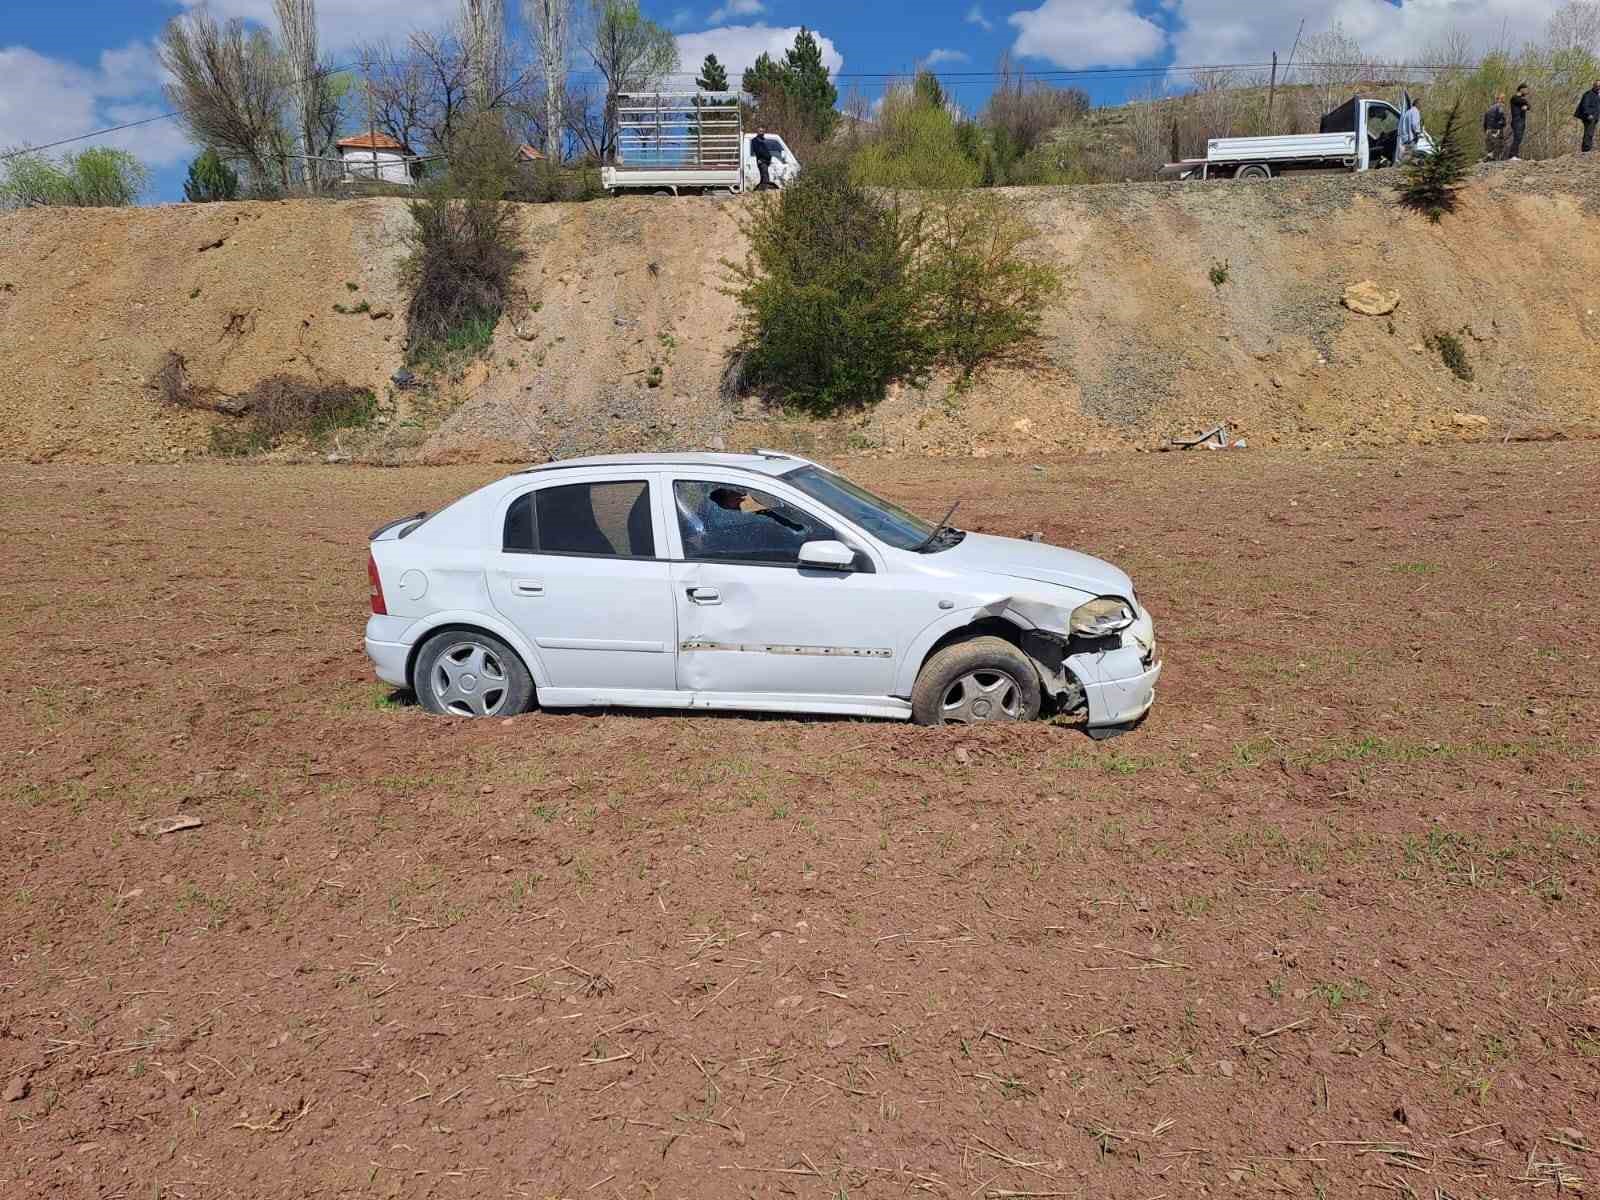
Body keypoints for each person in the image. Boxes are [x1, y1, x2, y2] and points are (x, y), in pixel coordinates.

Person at [1396, 91, 1424, 165]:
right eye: (1421, 104)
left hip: (1405, 138)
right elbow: (1415, 125)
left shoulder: (1408, 112)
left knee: (1405, 155)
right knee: (1412, 156)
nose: (1421, 106)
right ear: (1417, 104)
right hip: (1411, 138)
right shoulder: (1415, 111)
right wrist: (1418, 133)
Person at [1508, 83, 1531, 160]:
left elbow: (1529, 106)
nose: (1527, 91)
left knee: (1519, 138)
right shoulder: (1514, 98)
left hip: (1522, 121)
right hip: (1517, 121)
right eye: (1526, 90)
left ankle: (1515, 155)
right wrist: (1526, 104)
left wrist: (1527, 106)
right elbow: (1524, 102)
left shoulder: (1521, 99)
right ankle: (1512, 155)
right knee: (1517, 138)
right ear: (1521, 89)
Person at [1576, 81, 1600, 153]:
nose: (1599, 87)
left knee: (1590, 132)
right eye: (1598, 86)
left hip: (1595, 117)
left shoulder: (1597, 95)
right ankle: (1586, 149)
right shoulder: (1588, 94)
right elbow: (1584, 105)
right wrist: (1588, 114)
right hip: (1589, 117)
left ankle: (1588, 148)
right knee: (1588, 133)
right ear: (1594, 86)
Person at [1483, 93, 1508, 161]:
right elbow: (1501, 117)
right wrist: (1502, 124)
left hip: (1489, 129)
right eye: (1503, 99)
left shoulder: (1489, 108)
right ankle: (1494, 159)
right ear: (1500, 100)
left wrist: (1486, 129)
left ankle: (1489, 156)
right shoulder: (1500, 107)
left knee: (1489, 145)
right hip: (1496, 129)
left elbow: (1485, 120)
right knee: (1499, 144)